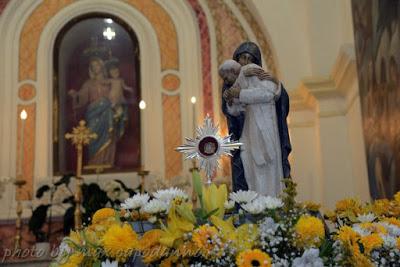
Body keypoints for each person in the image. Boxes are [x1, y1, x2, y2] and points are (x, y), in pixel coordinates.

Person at [221, 41, 292, 192]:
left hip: (264, 127)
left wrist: (240, 94)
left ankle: (268, 202)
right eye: (242, 58)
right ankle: (255, 202)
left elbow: (269, 94)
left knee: (266, 165)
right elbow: (235, 112)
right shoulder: (241, 77)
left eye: (249, 58)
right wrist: (230, 99)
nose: (246, 62)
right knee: (247, 162)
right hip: (249, 129)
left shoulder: (256, 73)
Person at [69, 57, 117, 165]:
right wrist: (75, 95)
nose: (96, 68)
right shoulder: (88, 83)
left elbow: (115, 96)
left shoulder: (109, 82)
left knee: (108, 134)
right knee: (92, 137)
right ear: (91, 69)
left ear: (102, 66)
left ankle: (106, 161)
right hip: (93, 114)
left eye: (97, 65)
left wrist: (115, 105)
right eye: (93, 66)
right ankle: (94, 162)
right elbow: (82, 98)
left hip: (107, 112)